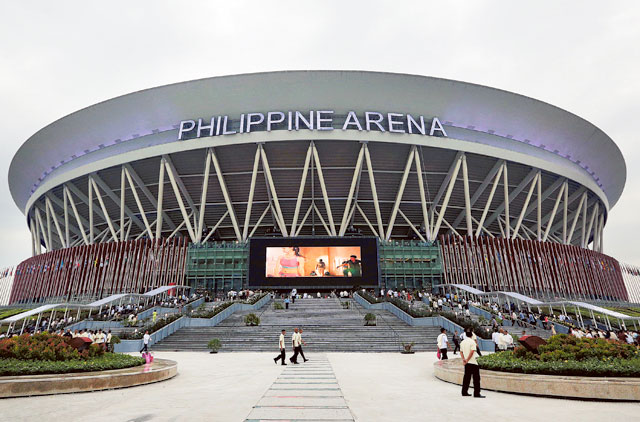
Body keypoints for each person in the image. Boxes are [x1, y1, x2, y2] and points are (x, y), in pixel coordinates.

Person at [460, 327, 485, 398]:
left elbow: (461, 352)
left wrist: (464, 359)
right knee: (476, 379)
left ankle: (464, 392)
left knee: (466, 378)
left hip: (467, 363)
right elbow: (472, 351)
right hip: (473, 362)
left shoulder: (462, 342)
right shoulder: (472, 342)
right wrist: (467, 359)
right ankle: (476, 393)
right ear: (471, 335)